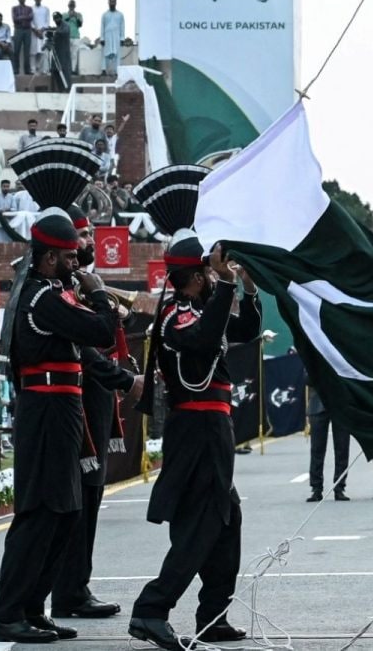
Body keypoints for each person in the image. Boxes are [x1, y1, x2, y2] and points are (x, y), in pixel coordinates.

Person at [0, 209, 118, 643]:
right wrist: (99, 294)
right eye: (69, 257)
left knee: (66, 512)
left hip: (63, 407)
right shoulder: (42, 297)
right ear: (48, 259)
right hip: (45, 409)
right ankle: (8, 613)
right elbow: (101, 331)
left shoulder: (54, 292)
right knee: (41, 512)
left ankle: (32, 606)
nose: (77, 263)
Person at [129, 233, 260, 650]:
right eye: (210, 272)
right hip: (196, 428)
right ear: (198, 277)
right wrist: (226, 285)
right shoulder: (176, 314)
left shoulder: (203, 309)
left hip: (212, 428)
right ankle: (151, 609)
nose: (215, 276)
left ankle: (213, 616)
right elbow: (202, 340)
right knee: (201, 524)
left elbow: (246, 329)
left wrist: (247, 287)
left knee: (227, 520)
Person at [51, 206, 142, 620]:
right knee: (78, 500)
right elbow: (85, 347)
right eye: (82, 235)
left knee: (90, 496)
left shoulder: (82, 283)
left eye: (88, 234)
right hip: (79, 400)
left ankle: (76, 586)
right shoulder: (62, 289)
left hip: (95, 399)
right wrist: (122, 378)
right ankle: (68, 590)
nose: (89, 242)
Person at [307, 390, 351, 502]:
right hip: (317, 404)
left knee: (342, 448)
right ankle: (316, 488)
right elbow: (306, 381)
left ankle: (339, 487)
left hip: (341, 405)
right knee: (317, 449)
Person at [99, 0, 125, 76]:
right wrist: (102, 38)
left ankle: (117, 71)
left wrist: (122, 38)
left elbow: (122, 26)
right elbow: (102, 26)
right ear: (108, 3)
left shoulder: (120, 15)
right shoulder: (104, 15)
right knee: (105, 53)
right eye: (111, 2)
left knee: (117, 53)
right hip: (107, 36)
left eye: (113, 2)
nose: (112, 3)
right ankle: (104, 70)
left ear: (116, 3)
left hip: (117, 36)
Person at [11, 0, 33, 74]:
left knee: (27, 51)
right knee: (16, 50)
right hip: (18, 30)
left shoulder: (29, 8)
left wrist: (20, 17)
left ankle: (27, 70)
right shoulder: (14, 8)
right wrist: (25, 17)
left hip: (27, 30)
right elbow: (14, 19)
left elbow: (31, 17)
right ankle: (16, 69)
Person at [49, 11, 72, 90]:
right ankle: (59, 89)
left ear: (61, 18)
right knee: (55, 71)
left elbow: (65, 32)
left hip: (63, 55)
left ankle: (67, 89)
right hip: (56, 53)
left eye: (57, 18)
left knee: (64, 73)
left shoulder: (65, 25)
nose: (56, 20)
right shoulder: (57, 27)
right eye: (54, 19)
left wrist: (55, 31)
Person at [30, 0, 51, 75]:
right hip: (34, 33)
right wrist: (35, 30)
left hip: (43, 32)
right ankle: (33, 69)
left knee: (43, 51)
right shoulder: (31, 9)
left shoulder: (46, 9)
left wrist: (42, 30)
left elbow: (47, 21)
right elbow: (30, 21)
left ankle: (42, 69)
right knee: (33, 52)